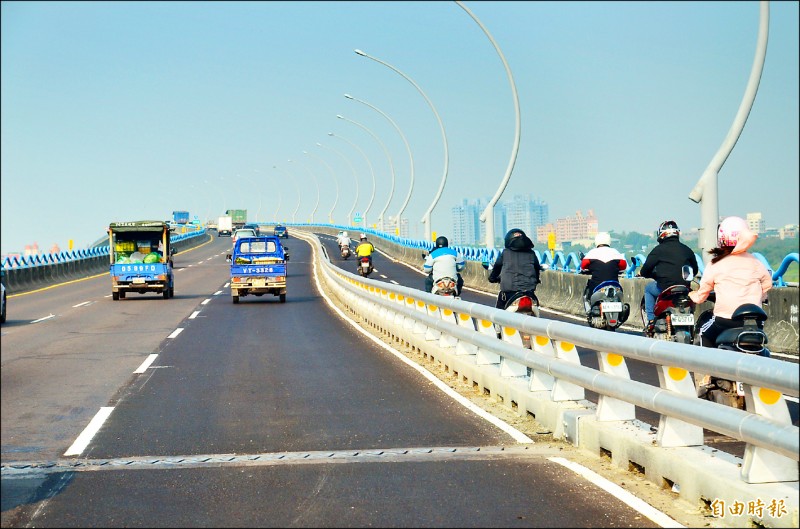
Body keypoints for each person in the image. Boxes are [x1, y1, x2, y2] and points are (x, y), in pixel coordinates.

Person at [688, 216, 772, 348]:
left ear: (721, 238)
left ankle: (706, 368)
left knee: (703, 332)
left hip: (726, 320)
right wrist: (759, 297)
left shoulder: (715, 264)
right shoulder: (756, 261)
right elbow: (767, 284)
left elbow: (702, 294)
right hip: (755, 321)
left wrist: (693, 295)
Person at [639, 220, 699, 328]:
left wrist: (652, 274)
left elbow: (645, 270)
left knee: (648, 289)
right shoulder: (687, 250)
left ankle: (651, 320)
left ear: (662, 234)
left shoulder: (658, 250)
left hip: (664, 288)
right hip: (684, 288)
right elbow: (694, 269)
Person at [487, 228, 542, 310]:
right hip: (529, 293)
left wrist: (492, 278)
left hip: (509, 293)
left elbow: (497, 267)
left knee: (498, 316)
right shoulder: (532, 253)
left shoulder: (505, 253)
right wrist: (537, 280)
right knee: (536, 310)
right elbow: (537, 269)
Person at [580, 232, 627, 313]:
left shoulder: (592, 252)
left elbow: (583, 265)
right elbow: (624, 265)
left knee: (588, 295)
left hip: (597, 285)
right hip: (614, 284)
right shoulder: (615, 252)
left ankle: (590, 310)